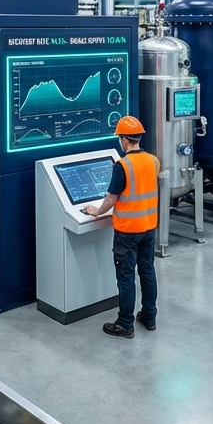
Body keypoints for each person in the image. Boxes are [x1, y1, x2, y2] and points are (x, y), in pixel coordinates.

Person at [83, 115, 160, 339]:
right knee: (147, 271)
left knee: (126, 276)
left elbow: (111, 198)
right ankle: (149, 316)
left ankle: (125, 323)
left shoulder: (122, 166)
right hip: (149, 227)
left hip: (127, 231)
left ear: (124, 140)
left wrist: (96, 211)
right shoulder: (153, 161)